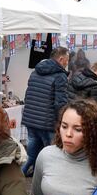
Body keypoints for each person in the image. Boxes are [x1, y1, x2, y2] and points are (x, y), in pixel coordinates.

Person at [21, 47, 70, 176]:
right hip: (47, 122)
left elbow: (28, 95)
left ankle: (22, 173)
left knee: (32, 152)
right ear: (61, 59)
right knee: (51, 152)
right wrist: (62, 122)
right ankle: (47, 177)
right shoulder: (60, 76)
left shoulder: (35, 72)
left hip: (31, 118)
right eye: (67, 60)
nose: (67, 63)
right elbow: (61, 103)